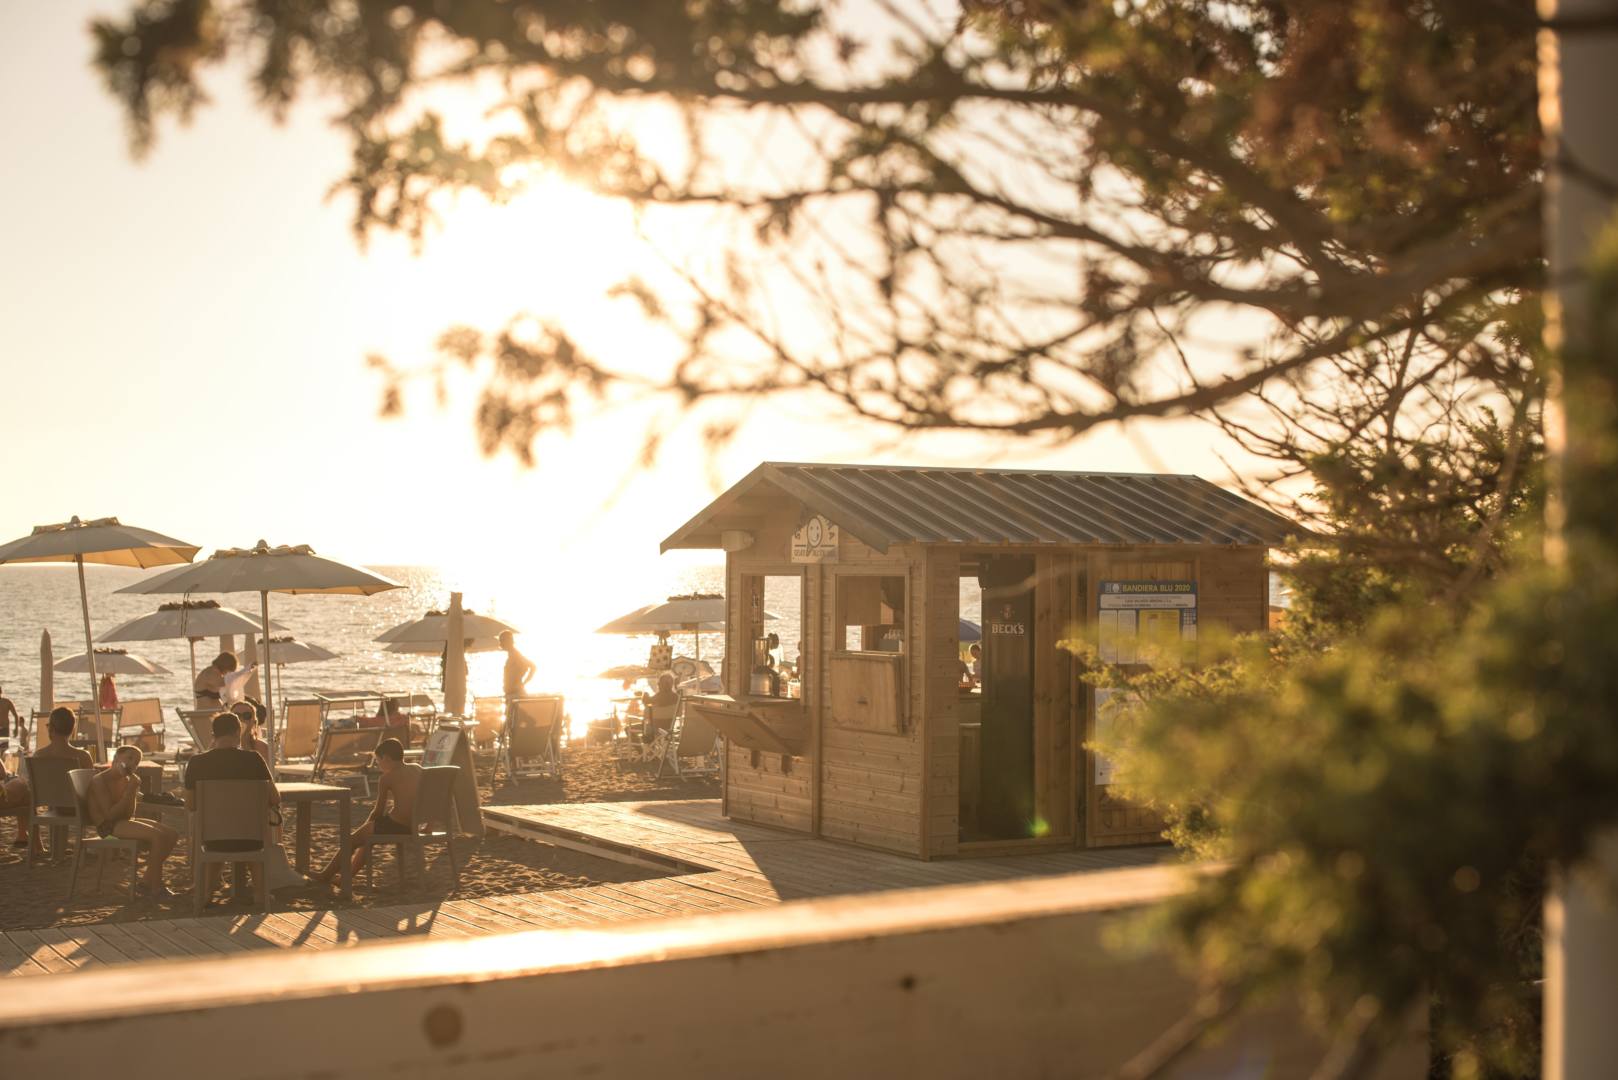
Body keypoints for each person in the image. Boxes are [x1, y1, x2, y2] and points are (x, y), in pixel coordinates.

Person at [184, 711, 281, 903]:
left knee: (218, 838)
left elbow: (191, 804)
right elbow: (274, 798)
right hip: (251, 836)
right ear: (238, 733)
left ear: (213, 735)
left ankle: (205, 894)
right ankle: (261, 894)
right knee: (253, 836)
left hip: (213, 838)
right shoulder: (253, 759)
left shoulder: (196, 763)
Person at [314, 738, 419, 887]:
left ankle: (325, 875)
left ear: (387, 758)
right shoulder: (417, 769)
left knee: (352, 840)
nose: (378, 765)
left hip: (395, 825)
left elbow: (378, 811)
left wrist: (366, 824)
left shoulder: (387, 778)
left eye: (378, 761)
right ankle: (346, 878)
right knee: (366, 837)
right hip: (413, 826)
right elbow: (431, 798)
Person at [87, 745, 179, 898]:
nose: (132, 764)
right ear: (116, 758)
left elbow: (129, 814)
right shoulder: (100, 780)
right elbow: (109, 816)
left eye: (136, 762)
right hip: (107, 827)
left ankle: (146, 881)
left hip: (122, 822)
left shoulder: (126, 780)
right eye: (129, 758)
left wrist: (131, 791)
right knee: (158, 837)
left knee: (172, 834)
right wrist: (129, 791)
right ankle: (155, 886)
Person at [231, 700, 271, 768]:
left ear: (254, 722)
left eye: (246, 715)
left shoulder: (262, 748)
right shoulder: (220, 745)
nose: (241, 719)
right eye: (236, 716)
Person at [499, 630, 535, 703]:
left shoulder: (516, 655)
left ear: (509, 641)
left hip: (516, 695)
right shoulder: (512, 655)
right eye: (500, 640)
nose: (500, 643)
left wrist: (523, 683)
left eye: (502, 640)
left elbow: (533, 667)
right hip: (511, 695)